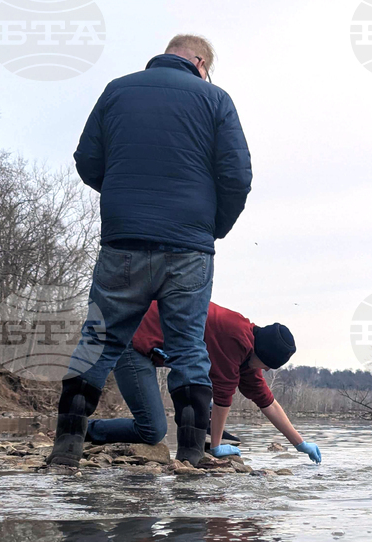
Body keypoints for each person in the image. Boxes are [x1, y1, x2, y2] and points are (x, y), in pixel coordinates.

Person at [47, 34, 253, 467]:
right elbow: (237, 175)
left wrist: (127, 198)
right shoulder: (215, 99)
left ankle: (67, 448)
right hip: (189, 247)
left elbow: (87, 160)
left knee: (99, 338)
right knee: (187, 346)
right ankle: (193, 455)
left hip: (124, 241)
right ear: (200, 62)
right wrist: (212, 228)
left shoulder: (117, 90)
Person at [86, 301, 322, 464]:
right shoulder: (236, 339)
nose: (268, 370)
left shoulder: (250, 350)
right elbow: (223, 397)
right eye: (268, 364)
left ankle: (207, 434)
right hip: (130, 341)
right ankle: (84, 430)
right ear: (261, 352)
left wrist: (300, 444)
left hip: (147, 347)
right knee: (153, 430)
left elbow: (267, 402)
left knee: (201, 401)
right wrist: (216, 448)